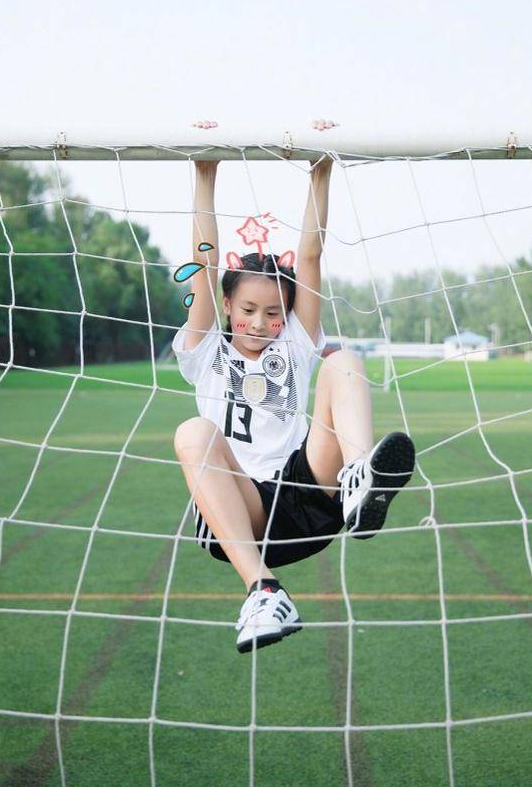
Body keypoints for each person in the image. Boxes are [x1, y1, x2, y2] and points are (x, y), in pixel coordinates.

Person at [173, 156, 415, 653]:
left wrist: (321, 169)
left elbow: (309, 257)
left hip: (305, 495)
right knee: (192, 432)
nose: (260, 323)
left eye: (272, 313)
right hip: (240, 512)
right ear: (226, 306)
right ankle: (263, 593)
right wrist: (205, 172)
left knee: (342, 360)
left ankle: (357, 480)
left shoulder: (294, 347)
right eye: (247, 311)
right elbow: (205, 261)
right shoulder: (204, 351)